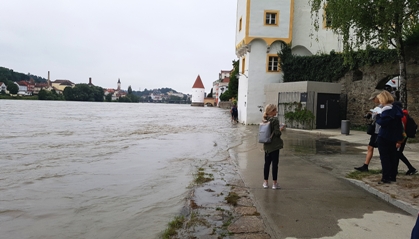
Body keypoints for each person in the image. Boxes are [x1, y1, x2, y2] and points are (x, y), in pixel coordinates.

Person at [375, 91, 404, 184]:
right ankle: (392, 175)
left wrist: (377, 116)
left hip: (384, 136)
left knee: (385, 157)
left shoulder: (387, 110)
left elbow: (383, 122)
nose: (379, 101)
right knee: (393, 156)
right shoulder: (396, 109)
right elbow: (399, 125)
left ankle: (386, 177)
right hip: (393, 136)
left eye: (380, 99)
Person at [354, 89, 382, 172]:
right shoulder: (380, 107)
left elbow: (375, 118)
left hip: (379, 131)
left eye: (374, 99)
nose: (373, 100)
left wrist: (372, 114)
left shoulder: (380, 107)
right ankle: (365, 165)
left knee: (381, 149)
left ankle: (384, 167)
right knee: (370, 147)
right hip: (377, 131)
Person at [262, 104, 285, 189]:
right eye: (275, 110)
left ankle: (265, 182)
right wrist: (281, 129)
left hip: (266, 145)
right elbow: (277, 133)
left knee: (266, 164)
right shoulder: (275, 120)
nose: (277, 112)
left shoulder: (265, 120)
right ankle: (274, 183)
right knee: (275, 164)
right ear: (271, 111)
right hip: (274, 146)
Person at [393, 101, 418, 175]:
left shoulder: (402, 116)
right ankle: (396, 169)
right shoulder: (405, 114)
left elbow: (401, 129)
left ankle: (411, 168)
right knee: (398, 154)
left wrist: (399, 141)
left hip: (401, 137)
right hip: (403, 137)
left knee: (398, 154)